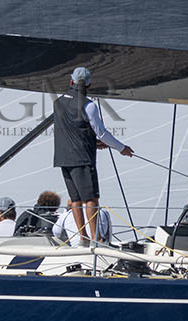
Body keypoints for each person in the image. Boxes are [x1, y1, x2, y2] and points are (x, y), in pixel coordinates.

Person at [52, 66, 133, 245]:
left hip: (63, 159)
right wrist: (121, 148)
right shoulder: (89, 106)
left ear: (71, 81)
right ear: (89, 85)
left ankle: (83, 238)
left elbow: (71, 131)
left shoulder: (57, 103)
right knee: (91, 199)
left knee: (75, 200)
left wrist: (93, 143)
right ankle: (97, 238)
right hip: (82, 159)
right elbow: (101, 133)